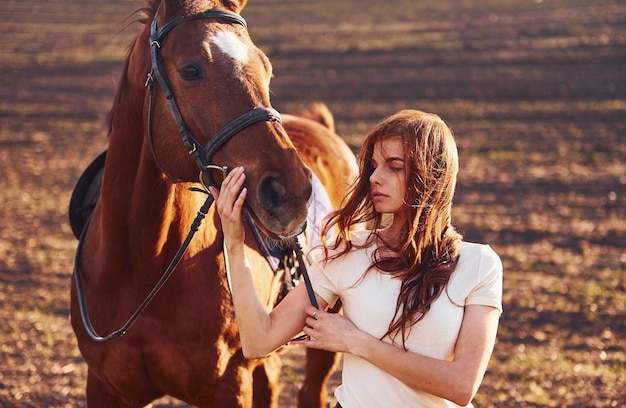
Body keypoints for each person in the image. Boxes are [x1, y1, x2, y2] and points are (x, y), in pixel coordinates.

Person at [209, 109, 503, 407]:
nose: (375, 177)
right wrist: (234, 243)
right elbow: (259, 341)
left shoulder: (479, 265)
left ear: (433, 173)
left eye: (394, 167)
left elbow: (461, 385)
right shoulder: (345, 252)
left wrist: (356, 342)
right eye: (373, 166)